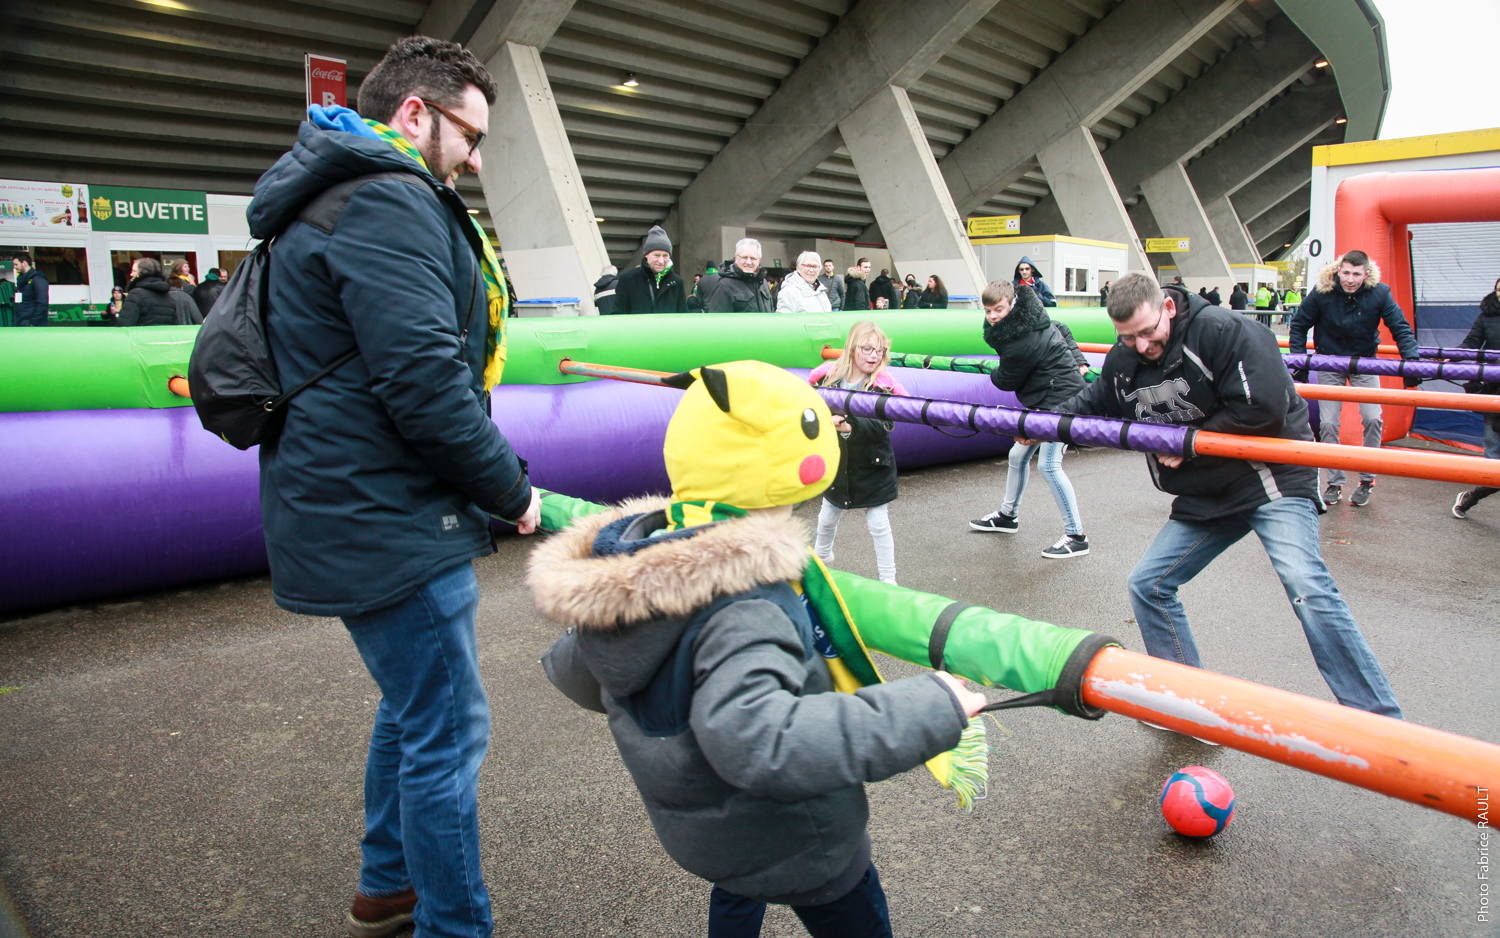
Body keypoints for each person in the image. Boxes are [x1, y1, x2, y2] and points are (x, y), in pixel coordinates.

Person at [247, 36, 542, 938]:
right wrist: (512, 492)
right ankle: (456, 926)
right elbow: (425, 385)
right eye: (469, 133)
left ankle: (387, 881)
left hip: (348, 504)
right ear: (414, 114)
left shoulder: (332, 192)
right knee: (448, 729)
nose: (477, 158)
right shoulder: (389, 199)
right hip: (385, 513)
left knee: (416, 708)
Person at [535, 360, 985, 938]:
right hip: (799, 838)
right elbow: (766, 742)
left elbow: (578, 673)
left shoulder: (636, 566)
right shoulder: (745, 604)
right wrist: (932, 707)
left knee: (739, 891)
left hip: (714, 832)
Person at [1058, 272, 1402, 720]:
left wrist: (1189, 442)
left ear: (1167, 307)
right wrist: (1034, 424)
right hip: (1207, 491)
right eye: (1128, 337)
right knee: (1149, 585)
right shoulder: (1128, 359)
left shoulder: (1225, 331)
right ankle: (1182, 703)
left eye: (1147, 332)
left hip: (1269, 478)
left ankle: (1378, 719)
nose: (1141, 345)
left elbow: (1264, 408)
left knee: (1305, 586)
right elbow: (1094, 401)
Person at [1288, 250, 1421, 508]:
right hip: (1329, 362)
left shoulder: (1380, 293)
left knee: (1373, 418)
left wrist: (1411, 363)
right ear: (1339, 271)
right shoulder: (1322, 292)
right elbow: (1299, 324)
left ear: (1366, 274)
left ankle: (1366, 479)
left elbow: (1400, 327)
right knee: (1327, 424)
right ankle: (1334, 482)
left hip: (1364, 362)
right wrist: (1299, 362)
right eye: (1346, 273)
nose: (1350, 279)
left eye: (1356, 274)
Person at [969, 282, 1090, 558]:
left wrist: (993, 373)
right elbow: (1061, 327)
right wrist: (1079, 359)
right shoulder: (1034, 319)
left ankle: (1077, 536)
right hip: (1043, 400)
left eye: (998, 309)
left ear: (1012, 305)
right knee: (1018, 454)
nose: (992, 316)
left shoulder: (1021, 342)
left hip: (1062, 403)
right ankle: (1007, 516)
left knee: (1049, 465)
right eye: (988, 311)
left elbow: (1007, 380)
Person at [809, 321, 908, 585]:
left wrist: (848, 425)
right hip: (837, 463)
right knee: (827, 516)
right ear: (853, 348)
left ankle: (889, 580)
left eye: (880, 350)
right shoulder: (826, 379)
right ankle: (821, 561)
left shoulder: (883, 386)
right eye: (867, 349)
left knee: (878, 523)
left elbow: (885, 423)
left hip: (874, 464)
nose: (874, 356)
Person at [1451, 276, 1500, 519]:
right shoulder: (1487, 316)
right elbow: (1470, 345)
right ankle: (1468, 500)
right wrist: (1448, 358)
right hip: (1494, 394)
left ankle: (1469, 499)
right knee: (1493, 460)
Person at [614, 225, 688, 314]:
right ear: (646, 255)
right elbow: (619, 315)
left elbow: (682, 315)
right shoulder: (628, 279)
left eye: (665, 256)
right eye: (656, 255)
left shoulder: (677, 282)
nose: (661, 261)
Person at [698, 238, 772, 313]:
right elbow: (718, 321)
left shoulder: (763, 282)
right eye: (744, 257)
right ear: (736, 258)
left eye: (753, 258)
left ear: (759, 260)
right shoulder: (724, 285)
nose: (749, 262)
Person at [116, 257, 177, 327]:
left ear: (141, 273)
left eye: (134, 271)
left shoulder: (135, 294)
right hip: (164, 337)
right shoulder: (169, 296)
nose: (131, 274)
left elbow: (125, 324)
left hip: (141, 337)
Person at [11, 252, 48, 327]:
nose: (14, 267)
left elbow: (42, 302)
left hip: (31, 322)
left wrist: (33, 322)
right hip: (21, 319)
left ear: (24, 263)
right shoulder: (21, 279)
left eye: (16, 264)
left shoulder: (38, 279)